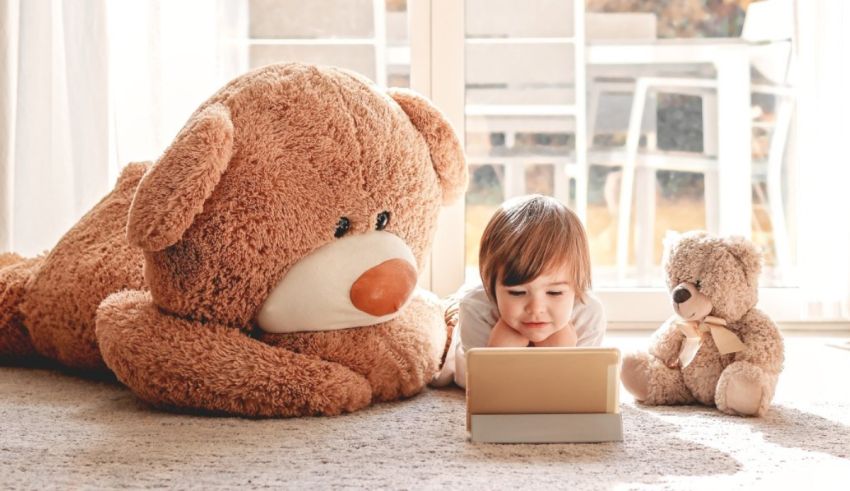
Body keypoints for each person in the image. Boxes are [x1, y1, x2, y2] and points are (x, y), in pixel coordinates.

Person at [431, 194, 606, 388]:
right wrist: (497, 353)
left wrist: (562, 356)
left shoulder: (588, 314)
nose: (536, 308)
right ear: (491, 284)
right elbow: (475, 385)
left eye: (554, 293)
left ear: (577, 285)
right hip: (459, 312)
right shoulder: (476, 309)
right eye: (517, 293)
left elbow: (579, 389)